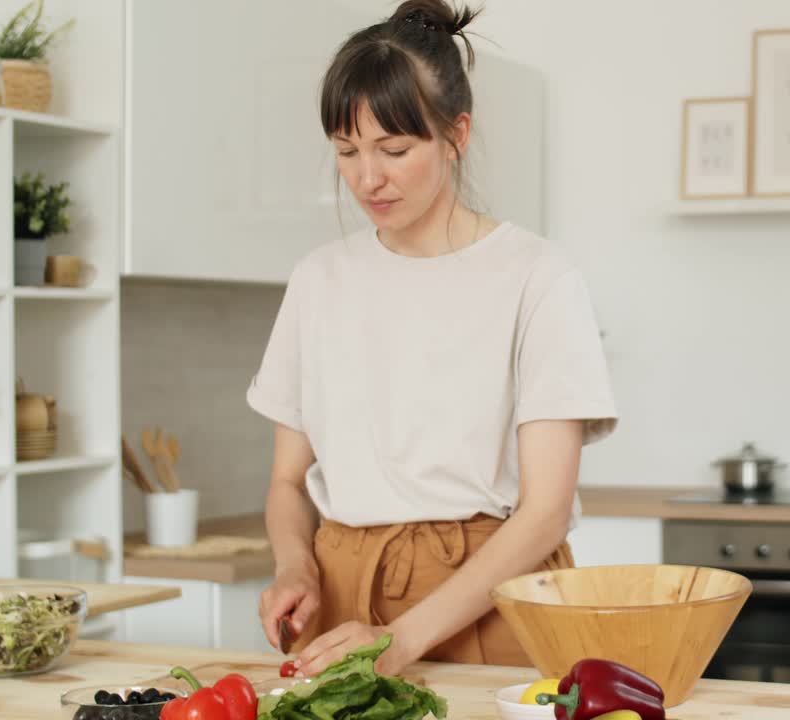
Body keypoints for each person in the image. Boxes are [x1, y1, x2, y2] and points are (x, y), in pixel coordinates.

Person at [246, 0, 616, 678]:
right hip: (342, 596)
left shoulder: (538, 276)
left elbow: (545, 514)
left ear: (456, 134)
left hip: (494, 597)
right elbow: (286, 480)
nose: (367, 178)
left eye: (394, 149)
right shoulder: (317, 280)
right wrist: (295, 565)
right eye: (346, 151)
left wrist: (402, 638)